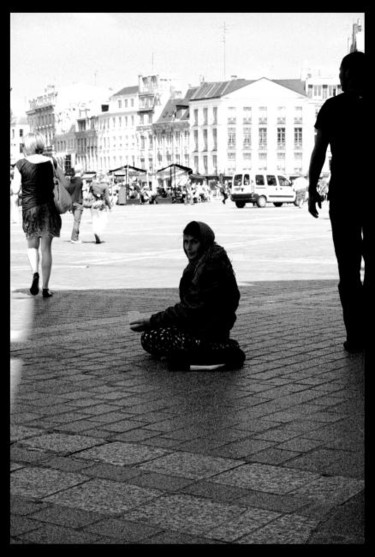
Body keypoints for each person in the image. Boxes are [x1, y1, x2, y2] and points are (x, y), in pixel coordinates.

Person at [308, 51, 372, 353]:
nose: (339, 76)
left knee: (347, 270)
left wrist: (311, 189)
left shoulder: (332, 107)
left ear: (347, 76)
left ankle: (355, 336)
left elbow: (319, 151)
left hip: (345, 196)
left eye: (342, 71)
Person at [130, 221, 246, 371]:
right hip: (205, 328)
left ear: (204, 242)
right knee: (154, 336)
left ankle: (213, 351)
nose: (189, 248)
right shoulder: (206, 261)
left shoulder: (210, 267)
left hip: (207, 332)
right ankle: (207, 350)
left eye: (194, 242)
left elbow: (188, 309)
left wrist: (151, 321)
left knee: (151, 338)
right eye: (186, 242)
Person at [11, 132, 62, 298]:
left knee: (32, 246)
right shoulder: (50, 161)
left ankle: (34, 273)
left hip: (30, 209)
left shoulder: (20, 164)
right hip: (48, 208)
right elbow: (60, 180)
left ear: (27, 145)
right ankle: (46, 288)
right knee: (46, 249)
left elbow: (15, 189)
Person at [89, 174, 112, 244]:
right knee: (103, 220)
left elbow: (90, 193)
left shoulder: (92, 185)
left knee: (95, 220)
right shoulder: (105, 186)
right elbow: (107, 198)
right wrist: (110, 206)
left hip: (93, 205)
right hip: (101, 205)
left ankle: (96, 232)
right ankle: (98, 232)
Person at [66, 167, 84, 243]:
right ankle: (74, 238)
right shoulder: (79, 181)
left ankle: (74, 237)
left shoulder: (70, 181)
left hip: (72, 203)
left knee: (76, 220)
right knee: (77, 221)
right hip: (78, 202)